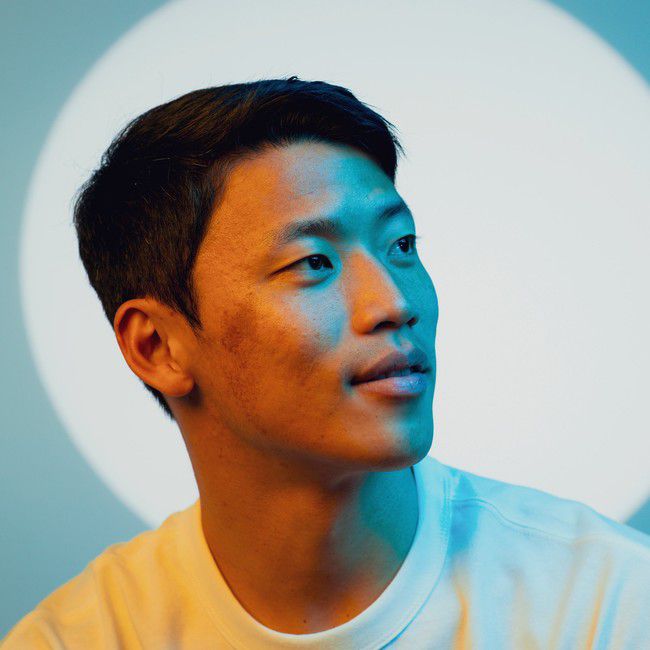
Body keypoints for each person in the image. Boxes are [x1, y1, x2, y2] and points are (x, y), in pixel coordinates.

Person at [3, 77, 649, 649]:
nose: (394, 303)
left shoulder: (608, 607)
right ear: (156, 347)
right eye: (314, 263)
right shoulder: (79, 638)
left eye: (401, 245)